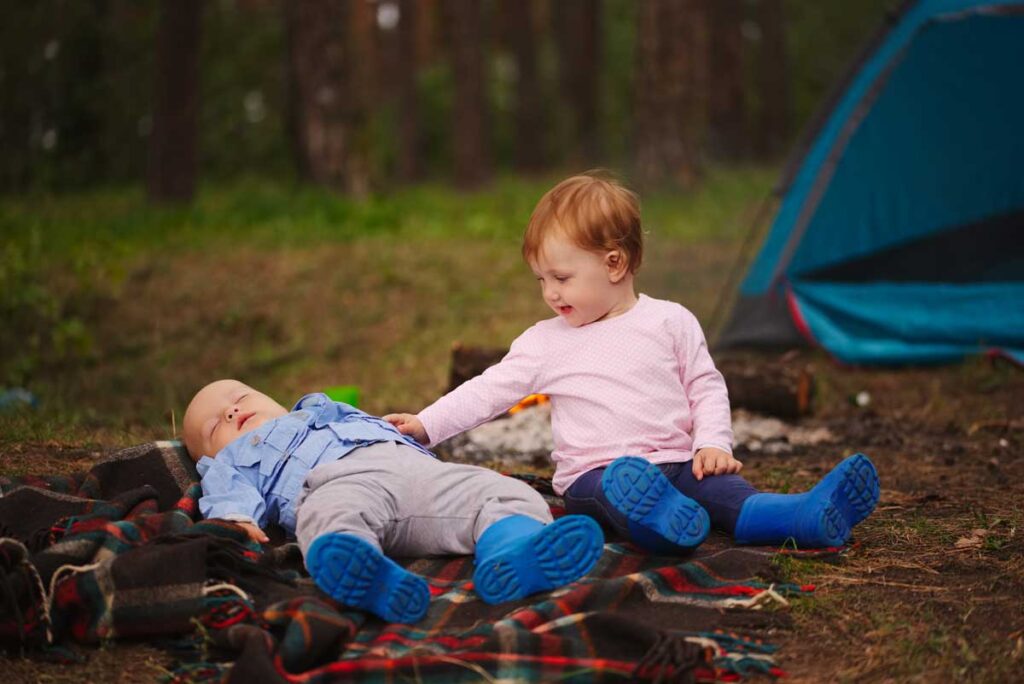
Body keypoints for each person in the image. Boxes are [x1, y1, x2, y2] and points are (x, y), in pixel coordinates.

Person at [385, 173, 880, 554]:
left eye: (560, 276)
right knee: (618, 491)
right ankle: (662, 528)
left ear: (615, 264)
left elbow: (705, 387)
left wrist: (711, 443)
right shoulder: (545, 342)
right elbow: (488, 391)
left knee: (731, 495)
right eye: (540, 280)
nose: (549, 292)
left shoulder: (671, 321)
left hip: (681, 465)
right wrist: (427, 424)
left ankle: (802, 516)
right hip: (595, 476)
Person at [182, 379, 604, 624]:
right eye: (216, 425)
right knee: (328, 519)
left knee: (498, 490)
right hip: (335, 484)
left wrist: (406, 426)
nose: (233, 413)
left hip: (417, 475)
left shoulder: (318, 410)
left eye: (238, 399)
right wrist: (235, 519)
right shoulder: (230, 462)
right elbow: (225, 494)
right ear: (210, 455)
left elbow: (373, 426)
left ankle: (512, 552)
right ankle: (368, 575)